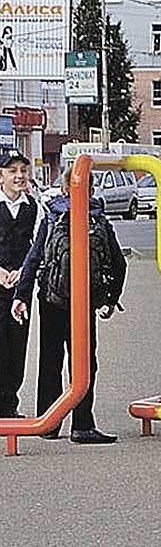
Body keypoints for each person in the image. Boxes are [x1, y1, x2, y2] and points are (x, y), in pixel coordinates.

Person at [11, 173, 127, 443]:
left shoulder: (52, 218)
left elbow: (34, 257)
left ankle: (48, 423)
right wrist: (111, 298)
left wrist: (21, 295)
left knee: (50, 361)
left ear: (64, 188)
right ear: (91, 190)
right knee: (85, 362)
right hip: (84, 302)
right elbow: (119, 262)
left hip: (51, 300)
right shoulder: (97, 218)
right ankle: (83, 425)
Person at [0, 148, 40, 417]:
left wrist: (23, 271)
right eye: (12, 171)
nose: (19, 176)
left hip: (19, 288)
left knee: (16, 346)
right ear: (0, 176)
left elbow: (37, 245)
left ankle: (9, 407)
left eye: (23, 171)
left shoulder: (33, 206)